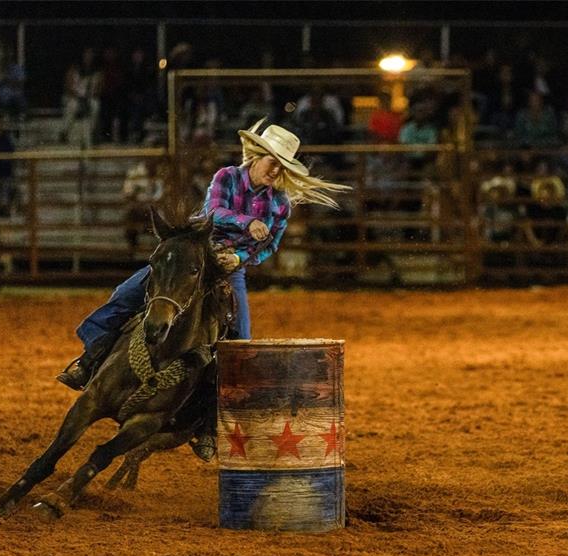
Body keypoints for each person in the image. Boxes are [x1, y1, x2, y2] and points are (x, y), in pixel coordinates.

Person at [56, 120, 350, 394]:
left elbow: (269, 245)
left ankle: (213, 411)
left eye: (281, 168)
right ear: (258, 156)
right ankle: (89, 361)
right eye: (274, 163)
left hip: (229, 266)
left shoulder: (280, 203)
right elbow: (213, 213)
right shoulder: (228, 177)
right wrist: (247, 222)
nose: (275, 172)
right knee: (127, 294)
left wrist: (239, 257)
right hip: (194, 249)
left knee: (239, 338)